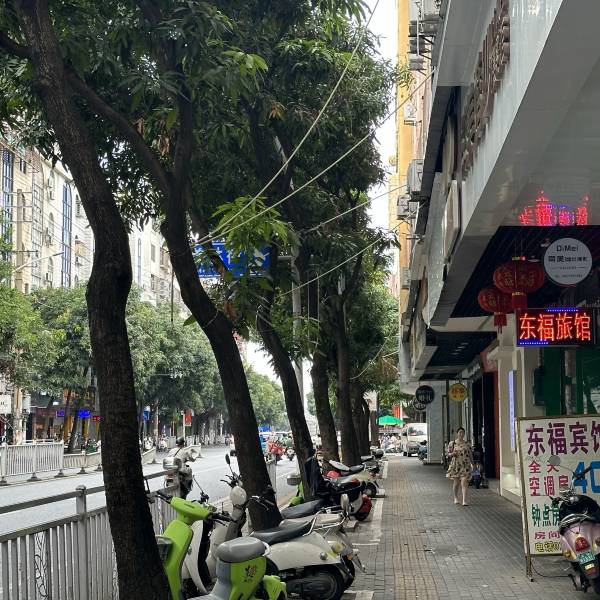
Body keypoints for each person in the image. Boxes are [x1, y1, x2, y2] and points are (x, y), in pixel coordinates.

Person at [446, 427, 473, 506]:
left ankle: (464, 500)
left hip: (465, 465)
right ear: (457, 433)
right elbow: (448, 454)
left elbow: (470, 454)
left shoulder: (467, 444)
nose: (461, 434)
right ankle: (455, 497)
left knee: (464, 482)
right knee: (456, 483)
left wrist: (473, 464)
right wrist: (452, 454)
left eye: (463, 432)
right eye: (460, 432)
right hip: (456, 465)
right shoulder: (452, 443)